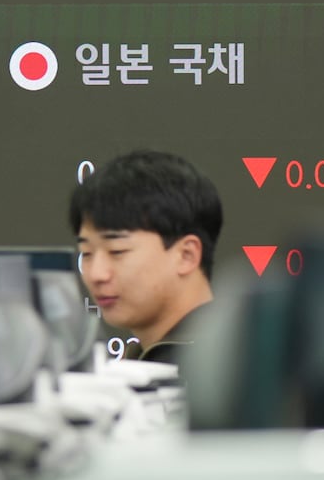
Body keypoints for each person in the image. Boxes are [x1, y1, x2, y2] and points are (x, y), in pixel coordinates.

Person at [69, 149, 222, 364]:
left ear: (187, 255)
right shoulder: (144, 365)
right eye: (87, 253)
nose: (96, 274)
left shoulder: (228, 368)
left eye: (117, 251)